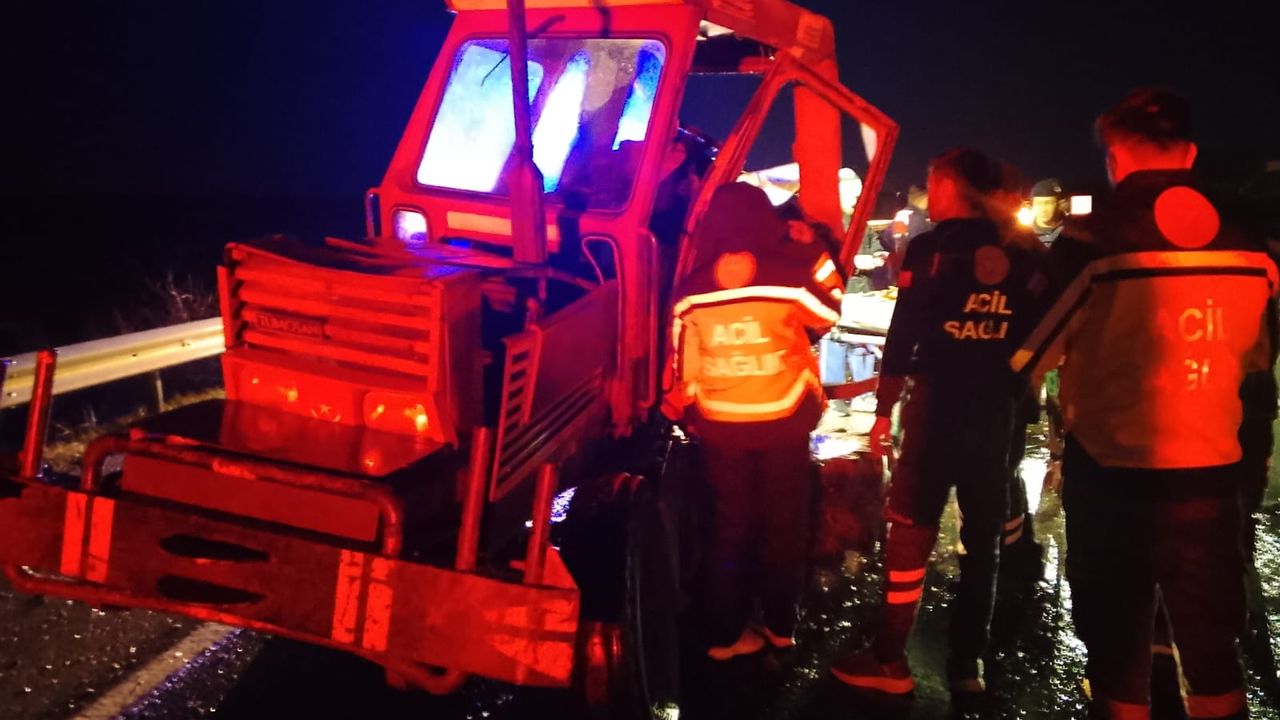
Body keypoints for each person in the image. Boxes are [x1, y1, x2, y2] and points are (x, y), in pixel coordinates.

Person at [1012, 87, 1277, 719]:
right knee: (1212, 648)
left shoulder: (1092, 237)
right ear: (1190, 151)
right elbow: (1259, 355)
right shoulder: (1250, 238)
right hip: (1214, 474)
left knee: (1117, 651)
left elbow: (1026, 353)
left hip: (1114, 478)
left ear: (1113, 157)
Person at [829, 148, 1042, 697]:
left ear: (950, 187)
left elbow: (903, 337)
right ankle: (968, 665)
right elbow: (1043, 332)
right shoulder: (1024, 253)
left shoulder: (930, 248)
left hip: (936, 408)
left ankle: (889, 659)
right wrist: (1016, 384)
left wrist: (882, 410)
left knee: (912, 528)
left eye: (933, 180)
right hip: (995, 412)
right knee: (983, 541)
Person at [662, 182, 843, 659]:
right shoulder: (789, 276)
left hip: (722, 427)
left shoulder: (690, 291)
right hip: (784, 419)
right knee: (784, 526)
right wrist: (813, 249)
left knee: (730, 528)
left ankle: (725, 635)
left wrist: (697, 414)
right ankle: (781, 625)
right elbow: (829, 311)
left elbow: (684, 364)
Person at [880, 184, 933, 286]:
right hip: (909, 266)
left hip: (920, 265)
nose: (928, 202)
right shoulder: (904, 216)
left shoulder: (922, 216)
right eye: (926, 198)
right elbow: (899, 242)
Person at [1029, 177, 1069, 246]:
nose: (1043, 209)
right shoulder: (1021, 237)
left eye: (1048, 203)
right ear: (1032, 205)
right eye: (1038, 203)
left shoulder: (1074, 234)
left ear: (1060, 204)